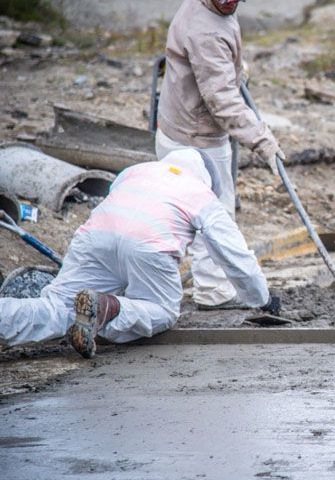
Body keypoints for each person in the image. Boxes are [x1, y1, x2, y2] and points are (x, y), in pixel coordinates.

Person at [0, 150, 274, 358]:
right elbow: (234, 255)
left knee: (58, 306)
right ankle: (107, 308)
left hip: (95, 238)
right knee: (162, 310)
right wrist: (261, 298)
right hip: (149, 245)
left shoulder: (135, 172)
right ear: (206, 180)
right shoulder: (202, 194)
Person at [157, 0, 284, 309]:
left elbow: (217, 62)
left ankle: (209, 284)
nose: (230, 3)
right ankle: (213, 291)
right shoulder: (206, 31)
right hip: (196, 137)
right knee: (214, 215)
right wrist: (262, 140)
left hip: (181, 123)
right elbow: (223, 102)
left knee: (196, 211)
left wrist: (234, 67)